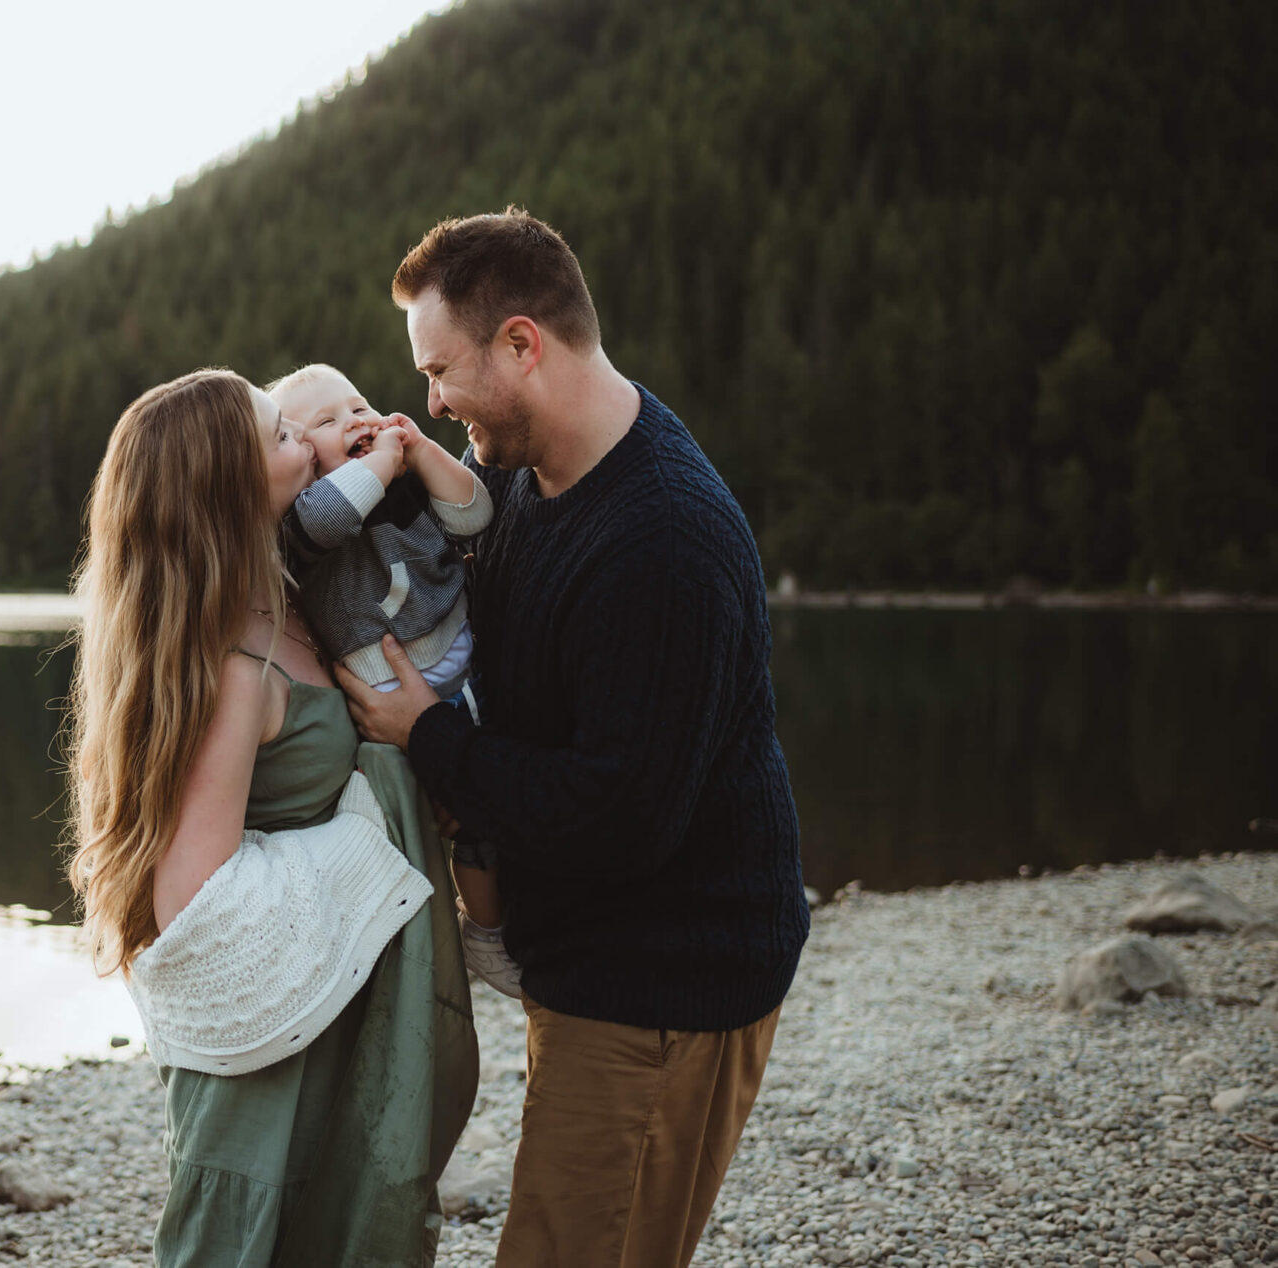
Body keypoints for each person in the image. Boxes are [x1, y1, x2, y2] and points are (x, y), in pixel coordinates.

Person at [338, 210, 811, 1268]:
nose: (430, 402)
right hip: (593, 955)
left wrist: (425, 735)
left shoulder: (663, 539)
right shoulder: (514, 477)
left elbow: (619, 818)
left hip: (665, 980)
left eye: (440, 371)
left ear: (520, 345)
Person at [64, 368, 478, 1267]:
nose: (309, 439)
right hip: (264, 1064)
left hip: (325, 1009)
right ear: (233, 485)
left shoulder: (290, 596)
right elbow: (199, 910)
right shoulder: (230, 667)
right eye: (284, 434)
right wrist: (377, 830)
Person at [267, 362, 520, 997]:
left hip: (469, 668)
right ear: (300, 454)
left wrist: (423, 449)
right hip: (384, 695)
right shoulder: (301, 521)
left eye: (359, 405)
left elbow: (474, 515)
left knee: (486, 812)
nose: (354, 420)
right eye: (326, 422)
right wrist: (377, 463)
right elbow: (332, 514)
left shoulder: (406, 487)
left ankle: (489, 932)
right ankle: (424, 946)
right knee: (425, 817)